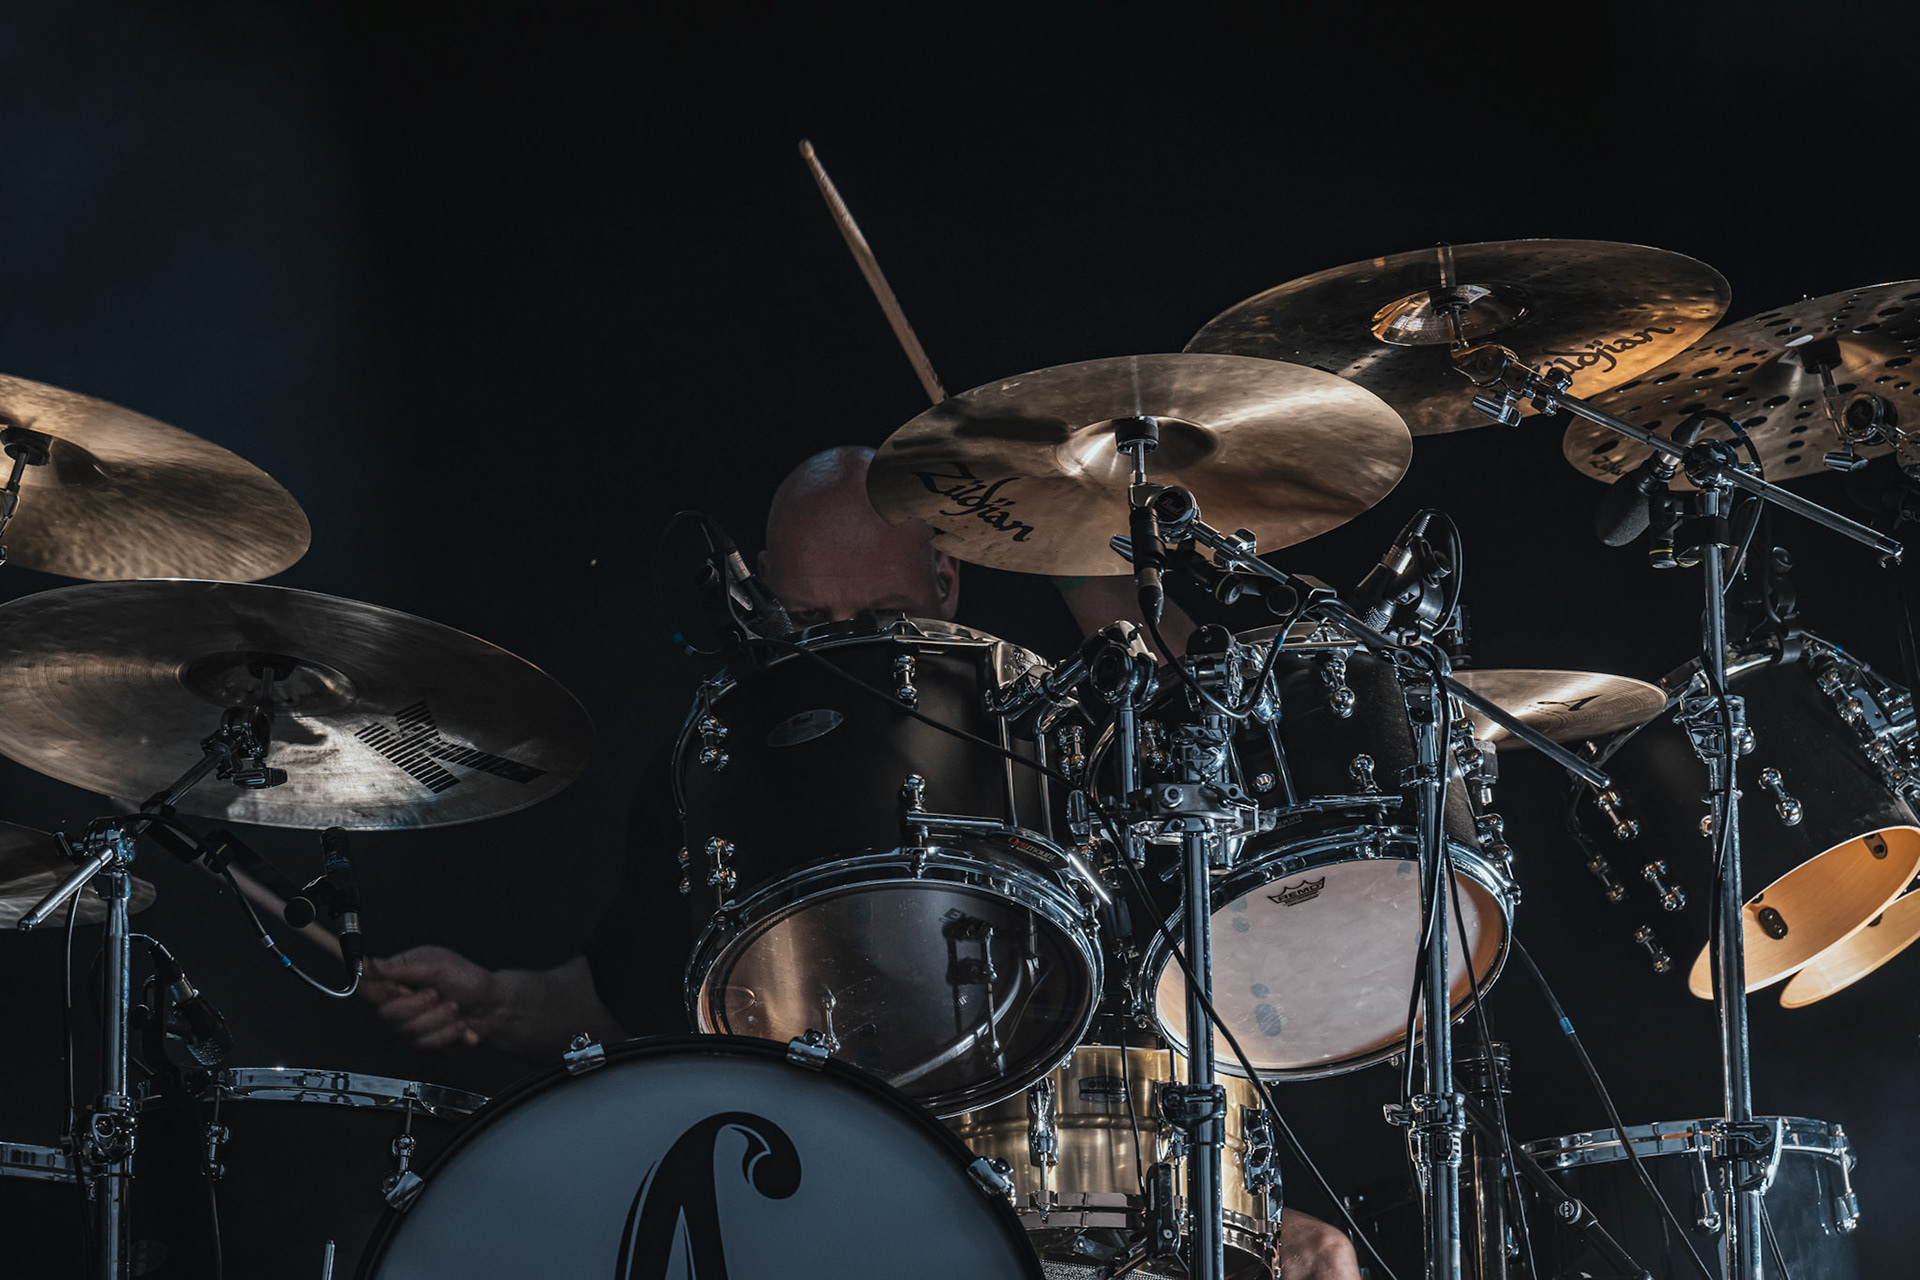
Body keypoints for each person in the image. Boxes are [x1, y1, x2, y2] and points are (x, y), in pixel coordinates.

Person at [362, 444, 1359, 1280]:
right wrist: (494, 1003)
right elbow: (629, 998)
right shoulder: (719, 767)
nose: (844, 653)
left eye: (880, 615)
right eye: (810, 624)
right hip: (820, 1208)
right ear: (757, 589)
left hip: (1100, 1215)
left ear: (946, 579)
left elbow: (1216, 946)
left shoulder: (1066, 731)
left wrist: (1253, 1217)